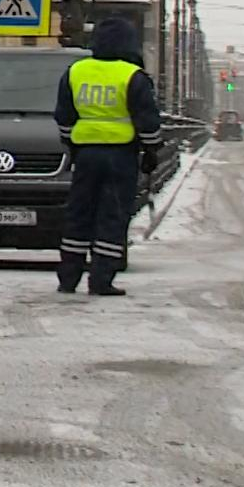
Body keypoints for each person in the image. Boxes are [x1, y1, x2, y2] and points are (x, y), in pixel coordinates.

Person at [54, 17, 162, 297]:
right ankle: (102, 278)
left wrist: (72, 143)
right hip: (120, 156)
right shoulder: (132, 75)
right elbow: (147, 120)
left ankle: (68, 277)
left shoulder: (76, 71)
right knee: (111, 216)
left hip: (85, 154)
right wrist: (151, 151)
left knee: (79, 213)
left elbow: (64, 116)